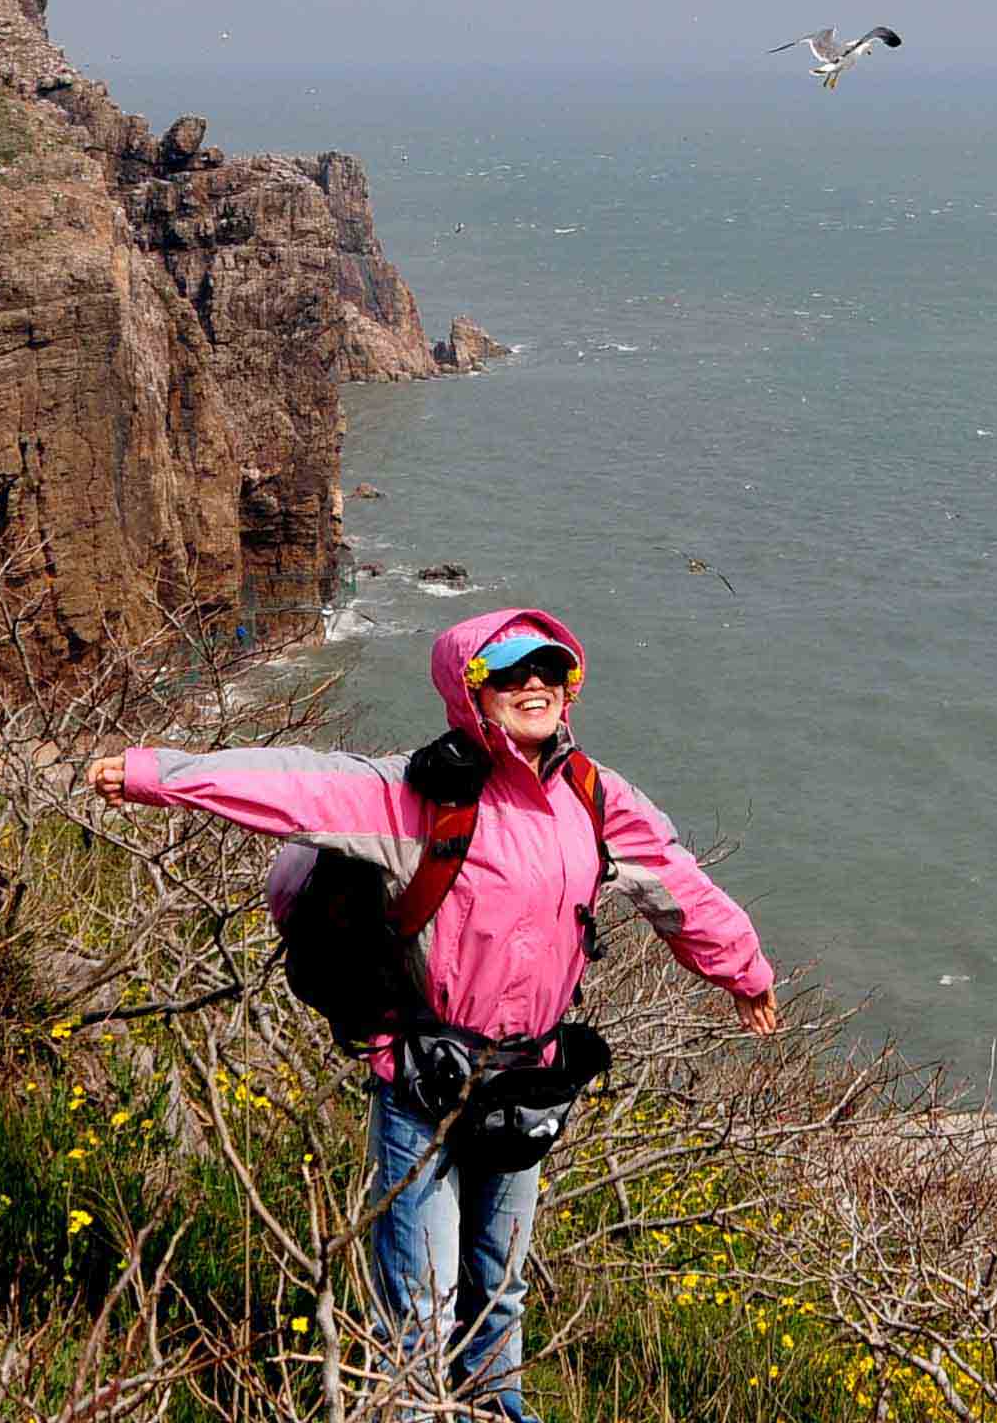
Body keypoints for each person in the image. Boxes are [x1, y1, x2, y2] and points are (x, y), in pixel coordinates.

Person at [89, 608, 776, 1422]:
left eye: (550, 671)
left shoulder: (594, 799)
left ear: (571, 688)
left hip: (528, 1079)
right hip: (422, 1076)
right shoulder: (420, 796)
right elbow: (291, 781)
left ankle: (496, 1411)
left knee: (502, 1288)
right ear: (469, 691)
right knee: (422, 1298)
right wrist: (153, 773)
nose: (534, 686)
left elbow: (677, 884)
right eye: (511, 673)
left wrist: (741, 970)